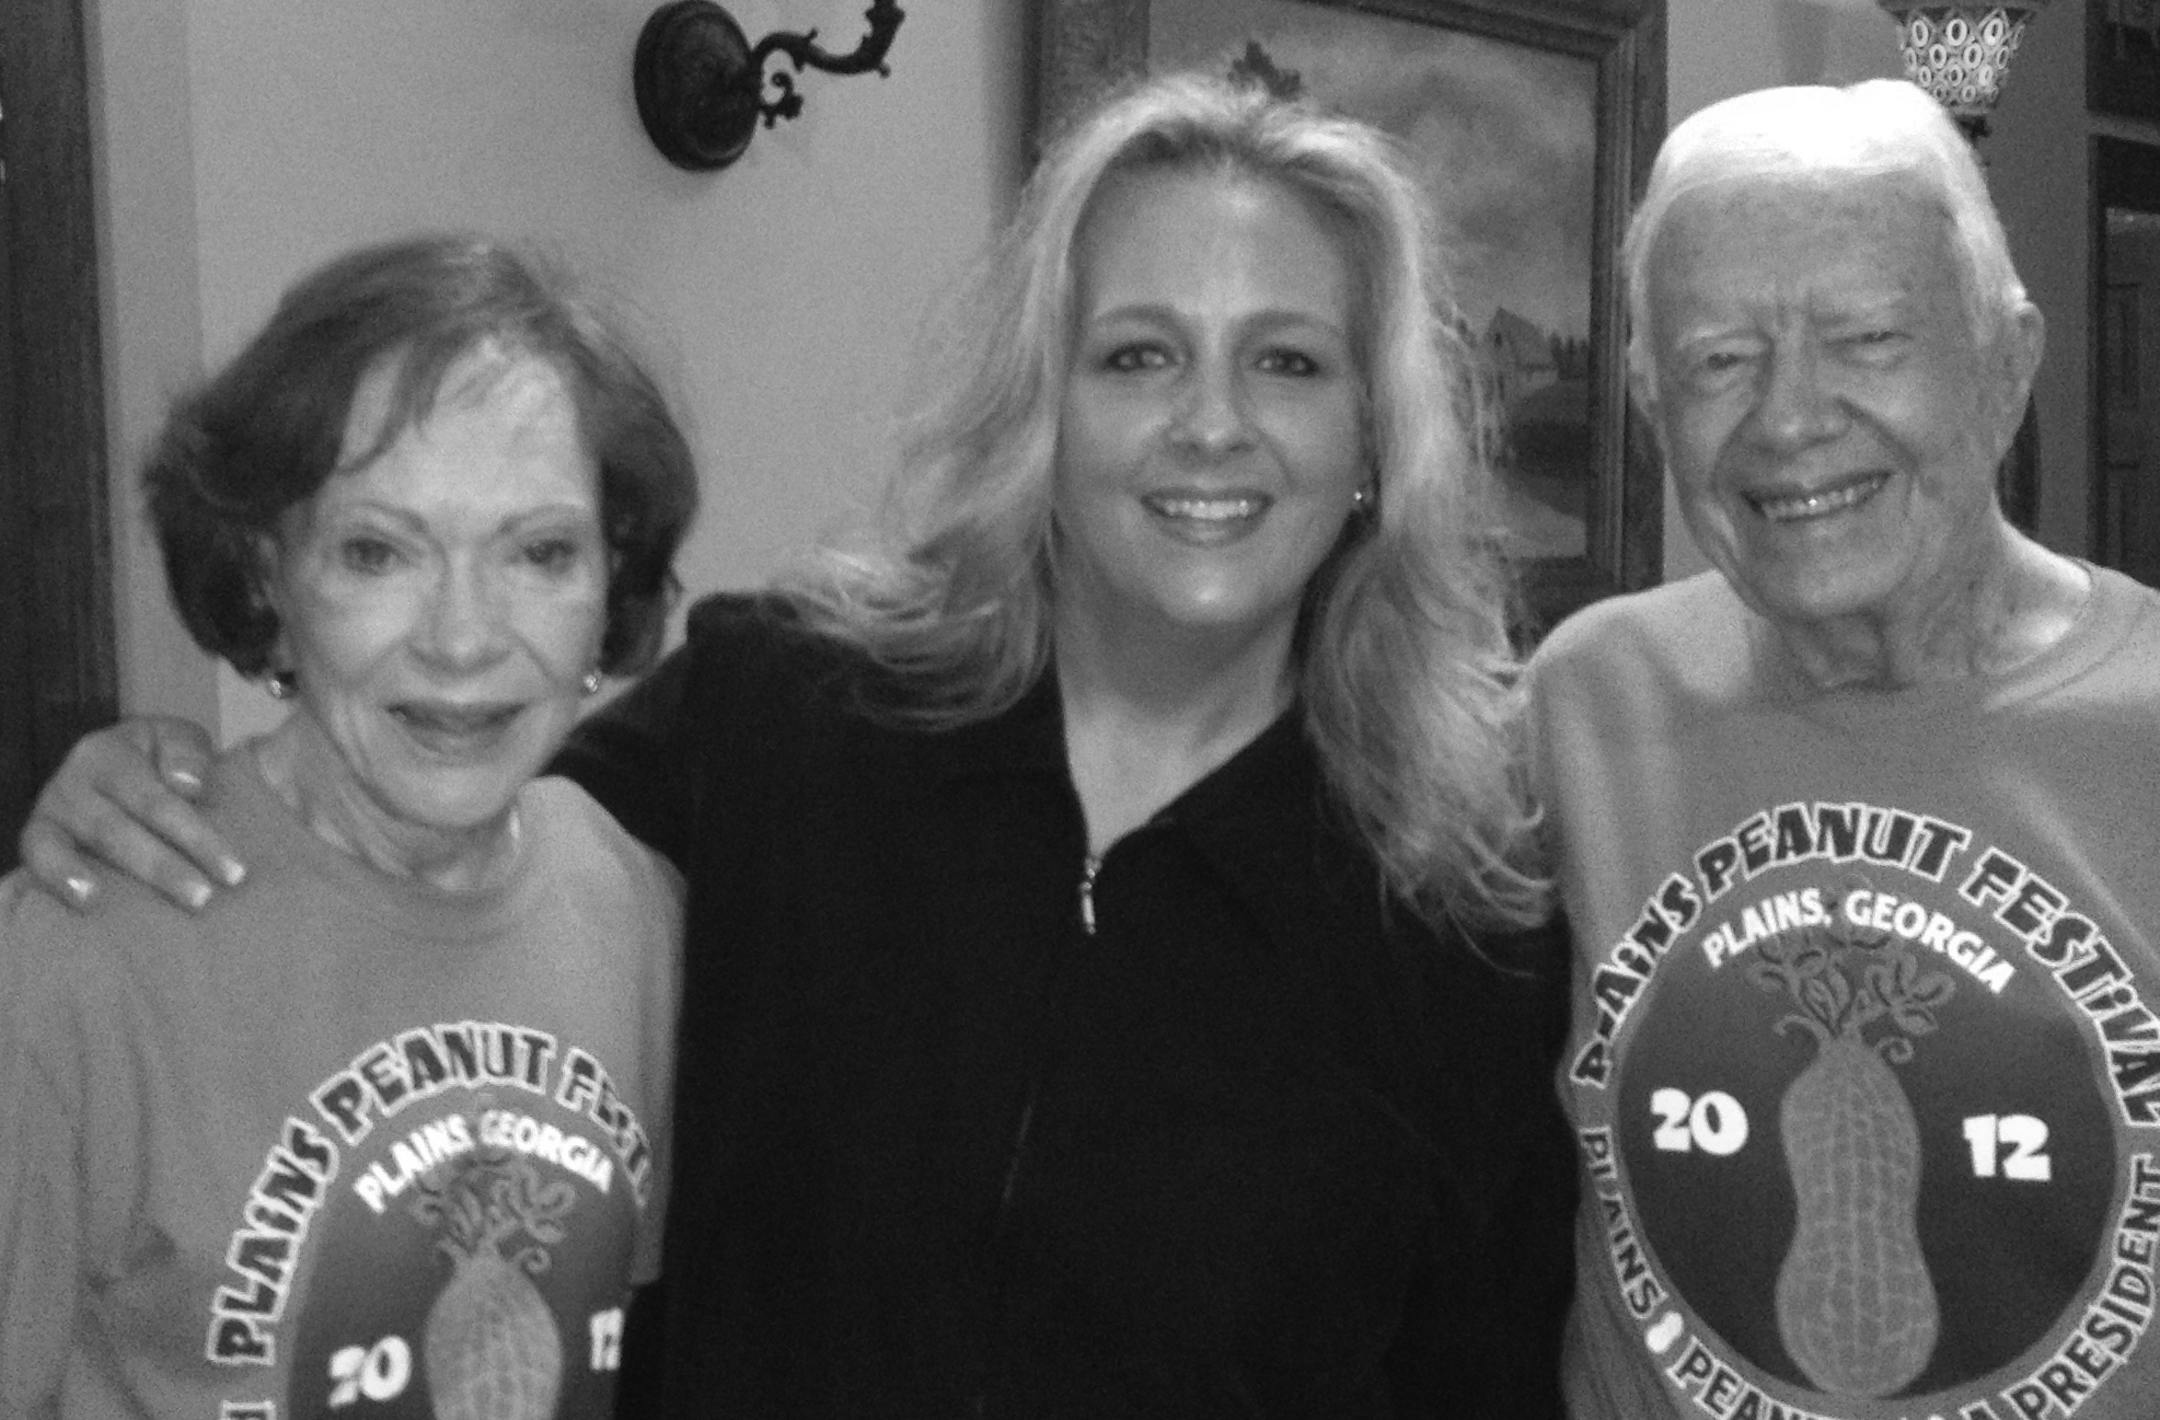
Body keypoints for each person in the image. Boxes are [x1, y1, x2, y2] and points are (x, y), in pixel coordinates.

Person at [18, 76, 1576, 1416]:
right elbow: (427, 819)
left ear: (1376, 440)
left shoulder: (1466, 932)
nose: (1212, 425)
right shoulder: (785, 723)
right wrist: (143, 787)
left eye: (1288, 362)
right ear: (1046, 407)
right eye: (1139, 354)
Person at [1528, 80, 2160, 1419]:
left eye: (1868, 338)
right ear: (1649, 403)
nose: (1790, 418)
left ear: (2008, 362)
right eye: (1717, 361)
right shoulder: (1583, 704)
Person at [0, 233, 697, 1417]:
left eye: (539, 552)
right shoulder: (76, 957)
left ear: (609, 588)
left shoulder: (635, 906)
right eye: (378, 551)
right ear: (267, 575)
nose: (463, 638)